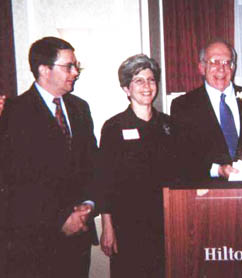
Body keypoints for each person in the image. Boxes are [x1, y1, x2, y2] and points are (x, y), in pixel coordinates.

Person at [0, 37, 97, 278]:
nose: (75, 73)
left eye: (76, 66)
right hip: (36, 239)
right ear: (44, 69)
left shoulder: (80, 108)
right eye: (69, 66)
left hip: (79, 236)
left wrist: (89, 204)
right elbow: (16, 182)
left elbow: (92, 164)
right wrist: (60, 219)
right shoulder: (13, 113)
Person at [97, 54, 177, 277]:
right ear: (126, 89)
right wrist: (108, 227)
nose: (147, 86)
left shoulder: (169, 125)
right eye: (138, 80)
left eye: (151, 80)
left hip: (166, 223)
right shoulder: (114, 127)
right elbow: (105, 180)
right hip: (128, 225)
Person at [170, 39, 242, 181]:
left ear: (233, 68)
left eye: (227, 62)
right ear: (201, 67)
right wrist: (218, 170)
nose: (221, 68)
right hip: (207, 191)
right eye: (214, 62)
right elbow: (182, 157)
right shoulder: (183, 105)